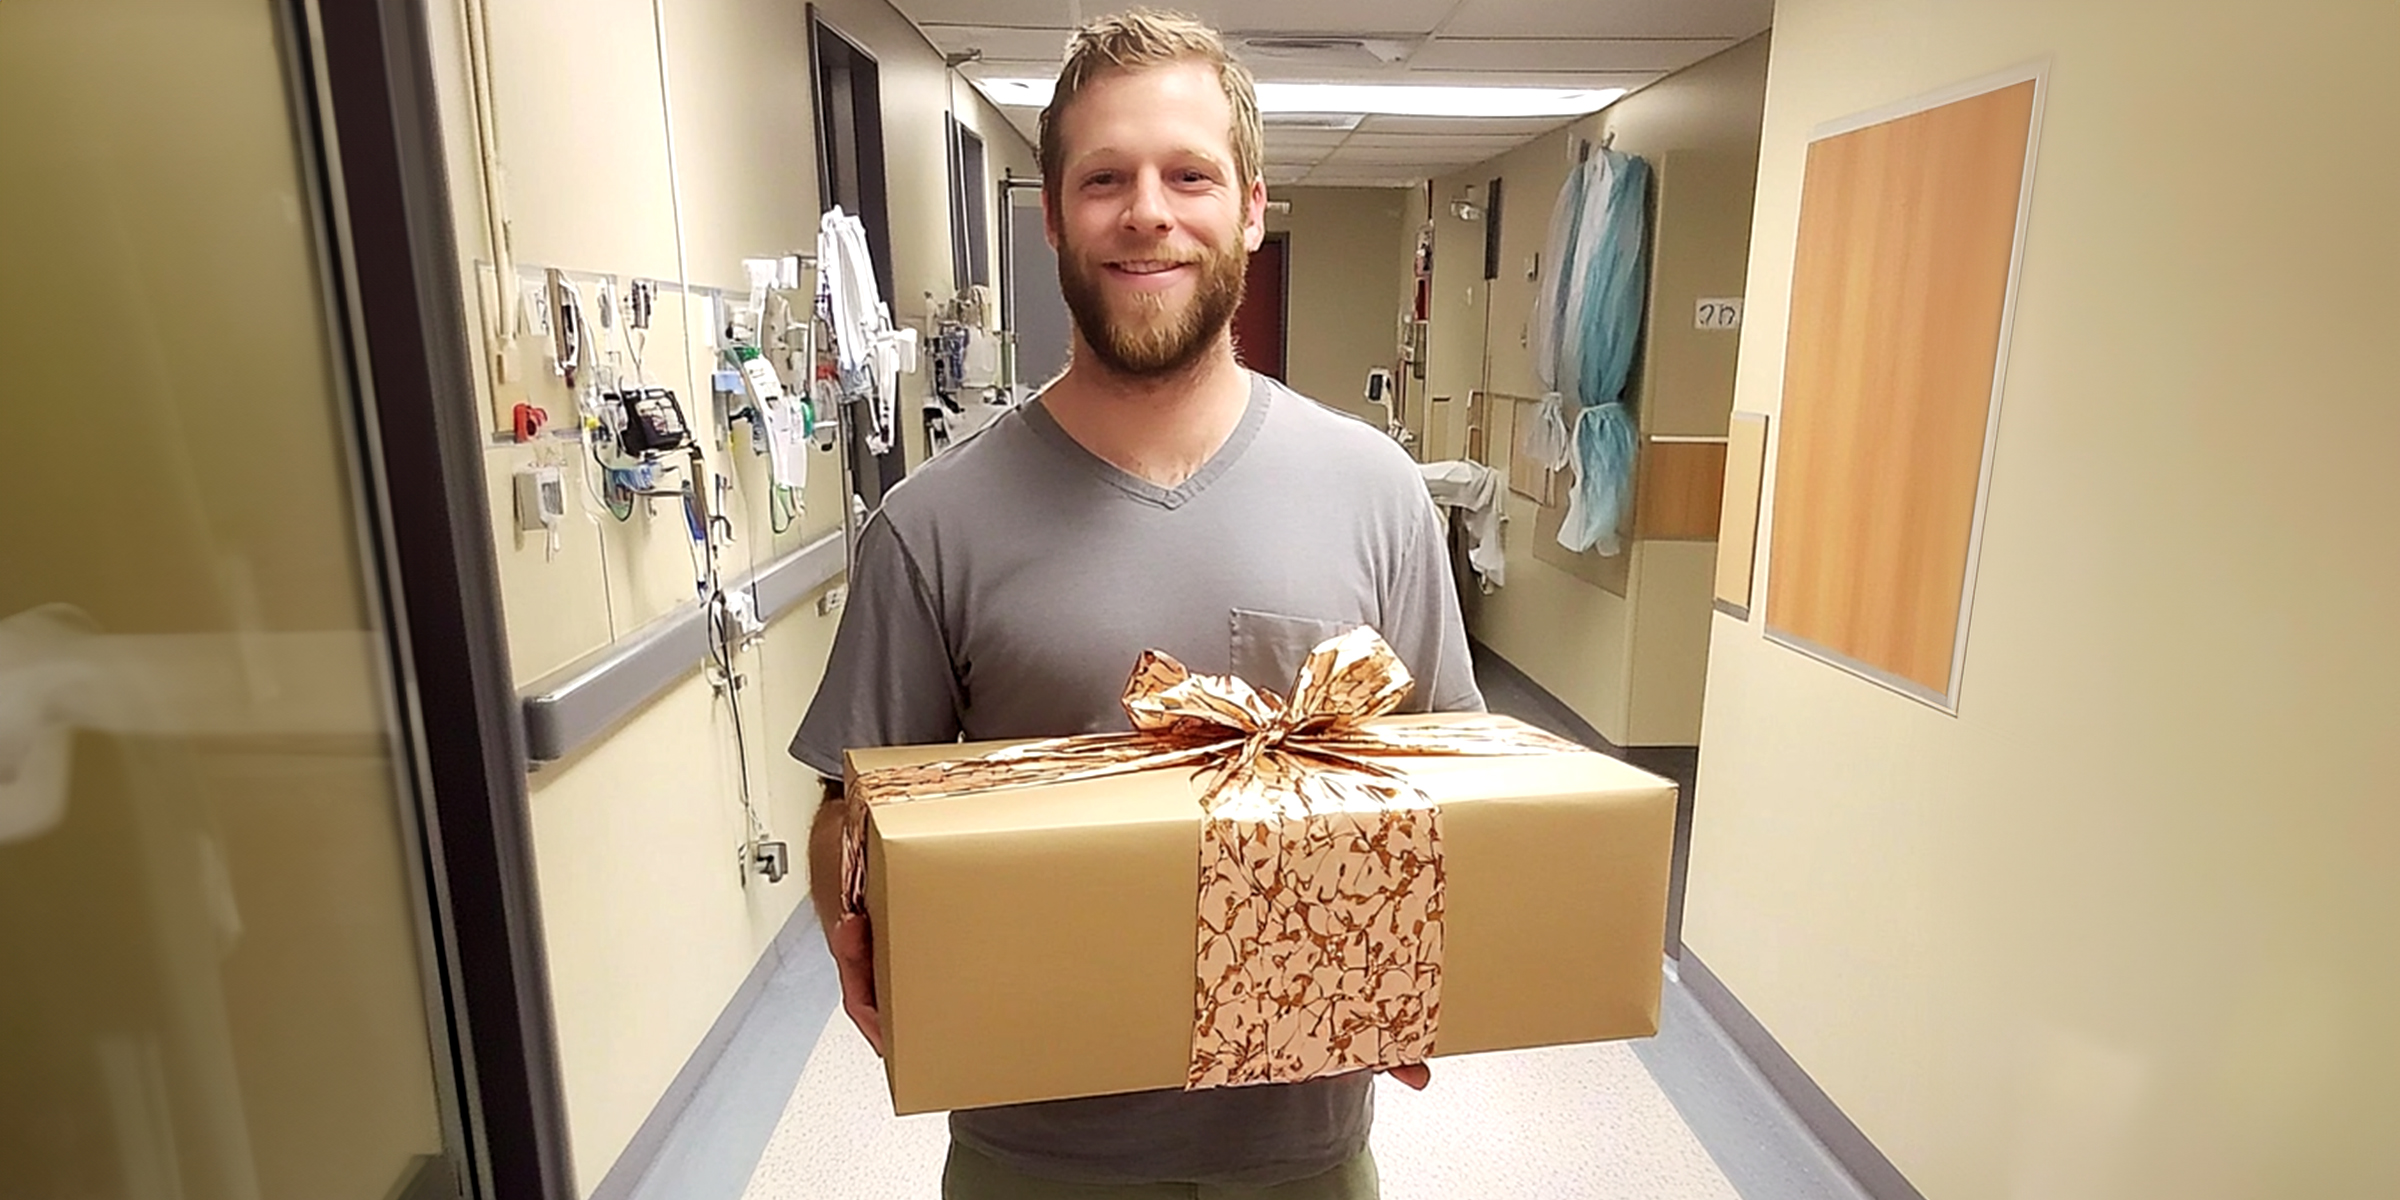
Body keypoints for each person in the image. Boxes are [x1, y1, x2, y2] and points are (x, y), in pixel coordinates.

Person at [790, 10, 1483, 1197]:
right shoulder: (935, 524)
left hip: (1302, 1154)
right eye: (1104, 177)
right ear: (1054, 214)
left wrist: (1441, 961)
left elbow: (1458, 786)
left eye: (1190, 175)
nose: (1148, 211)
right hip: (1035, 1153)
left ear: (1250, 209)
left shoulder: (1374, 494)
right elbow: (851, 809)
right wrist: (865, 921)